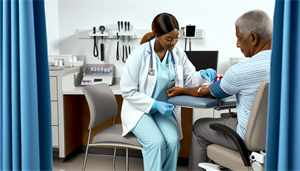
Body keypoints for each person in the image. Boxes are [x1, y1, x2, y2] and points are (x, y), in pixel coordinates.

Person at [166, 9, 272, 171]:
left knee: (200, 126)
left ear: (253, 38)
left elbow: (209, 91)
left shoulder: (240, 70)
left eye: (239, 38)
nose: (237, 44)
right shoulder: (291, 63)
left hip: (250, 140)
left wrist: (183, 90)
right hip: (280, 138)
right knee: (230, 117)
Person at [120, 12, 216, 171]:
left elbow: (189, 77)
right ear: (157, 36)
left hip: (163, 110)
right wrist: (155, 104)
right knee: (156, 142)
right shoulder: (139, 55)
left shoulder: (178, 53)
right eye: (169, 39)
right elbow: (128, 91)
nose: (174, 43)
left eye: (176, 37)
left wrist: (201, 74)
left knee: (172, 142)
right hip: (139, 110)